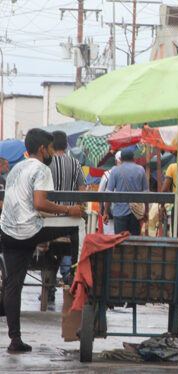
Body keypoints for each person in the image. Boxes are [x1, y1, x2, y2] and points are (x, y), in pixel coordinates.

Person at [0, 128, 84, 352]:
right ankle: (77, 273)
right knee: (76, 224)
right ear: (42, 149)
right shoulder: (41, 169)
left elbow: (25, 205)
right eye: (49, 149)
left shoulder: (17, 168)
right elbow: (39, 203)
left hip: (8, 233)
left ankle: (15, 339)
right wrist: (69, 210)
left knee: (12, 286)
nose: (51, 154)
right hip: (29, 231)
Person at [49, 130, 86, 286]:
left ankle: (49, 284)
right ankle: (72, 274)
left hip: (49, 219)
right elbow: (82, 192)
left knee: (50, 250)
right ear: (66, 145)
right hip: (71, 222)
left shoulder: (46, 164)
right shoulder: (76, 163)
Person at [103, 148, 148, 235]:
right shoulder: (141, 169)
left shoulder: (115, 170)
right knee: (134, 241)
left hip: (120, 212)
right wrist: (146, 212)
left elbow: (109, 193)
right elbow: (145, 193)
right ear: (134, 158)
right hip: (136, 213)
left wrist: (105, 212)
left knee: (119, 240)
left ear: (120, 159)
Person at [98, 151, 121, 235]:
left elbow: (100, 193)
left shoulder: (107, 174)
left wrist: (102, 209)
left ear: (115, 161)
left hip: (109, 213)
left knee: (109, 238)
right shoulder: (129, 174)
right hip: (124, 213)